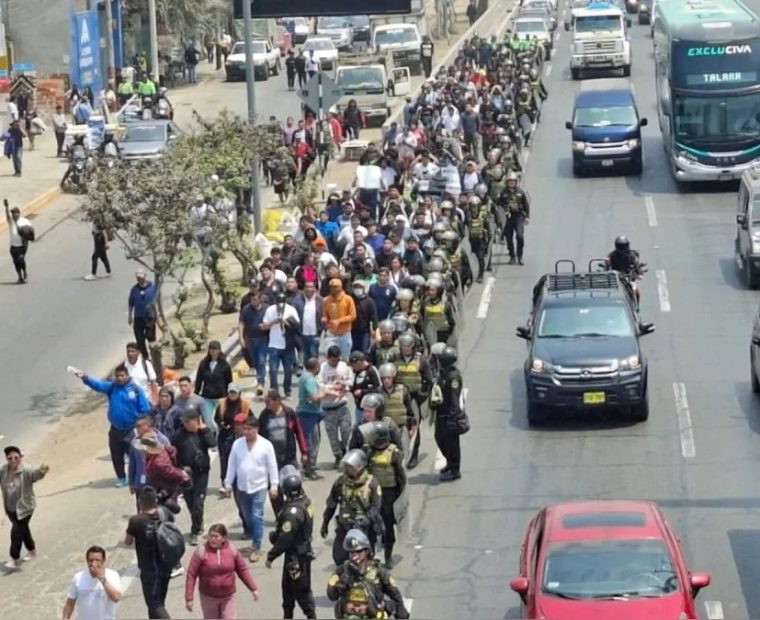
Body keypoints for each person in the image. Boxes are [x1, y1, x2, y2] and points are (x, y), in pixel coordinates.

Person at [76, 364, 151, 487]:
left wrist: (141, 423)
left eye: (122, 375)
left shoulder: (136, 390)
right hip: (115, 430)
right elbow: (98, 385)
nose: (120, 378)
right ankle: (121, 478)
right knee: (116, 456)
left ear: (127, 375)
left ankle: (140, 477)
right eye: (117, 376)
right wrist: (85, 378)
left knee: (135, 456)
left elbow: (145, 408)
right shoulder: (111, 388)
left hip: (131, 430)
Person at [222, 415, 280, 563]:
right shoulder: (237, 444)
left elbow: (272, 466)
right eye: (244, 429)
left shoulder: (266, 445)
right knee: (247, 517)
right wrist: (228, 484)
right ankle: (255, 536)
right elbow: (232, 465)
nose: (246, 432)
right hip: (242, 488)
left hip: (259, 487)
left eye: (249, 429)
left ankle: (256, 546)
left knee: (256, 516)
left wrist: (274, 486)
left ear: (256, 429)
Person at [265, 467, 317, 620]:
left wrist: (271, 556)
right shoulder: (306, 502)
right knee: (288, 590)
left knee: (301, 591)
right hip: (300, 552)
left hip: (296, 558)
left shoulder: (292, 513)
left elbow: (284, 539)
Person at [326, 529, 409, 619]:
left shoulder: (380, 572)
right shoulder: (342, 571)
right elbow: (332, 596)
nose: (355, 555)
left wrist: (399, 613)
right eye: (351, 552)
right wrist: (339, 585)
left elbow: (397, 598)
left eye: (359, 551)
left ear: (366, 551)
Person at [320, 449, 383, 566]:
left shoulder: (372, 484)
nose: (348, 469)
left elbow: (375, 507)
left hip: (364, 530)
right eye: (347, 467)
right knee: (339, 558)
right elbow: (331, 503)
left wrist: (364, 521)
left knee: (364, 561)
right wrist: (325, 522)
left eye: (351, 467)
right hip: (344, 528)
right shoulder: (340, 482)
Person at [185, 523, 260, 619]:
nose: (212, 539)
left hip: (229, 596)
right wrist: (189, 598)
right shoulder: (201, 551)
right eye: (210, 536)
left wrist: (253, 589)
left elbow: (243, 570)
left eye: (216, 536)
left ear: (223, 538)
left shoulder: (232, 550)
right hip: (208, 597)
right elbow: (191, 574)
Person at [124, 486, 176, 619]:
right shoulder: (164, 512)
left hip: (149, 570)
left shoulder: (136, 520)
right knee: (159, 602)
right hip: (166, 566)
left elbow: (128, 542)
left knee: (154, 604)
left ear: (140, 502)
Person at [258, 390, 309, 512]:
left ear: (277, 401)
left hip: (288, 457)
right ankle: (280, 514)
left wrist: (304, 451)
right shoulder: (264, 415)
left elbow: (299, 432)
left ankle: (300, 510)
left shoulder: (289, 413)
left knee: (294, 484)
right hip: (271, 459)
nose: (266, 404)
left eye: (268, 401)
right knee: (275, 489)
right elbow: (259, 435)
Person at [173, 404, 216, 546]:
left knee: (198, 502)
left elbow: (212, 443)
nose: (185, 424)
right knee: (191, 502)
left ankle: (195, 530)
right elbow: (173, 453)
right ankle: (198, 521)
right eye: (184, 421)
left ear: (196, 420)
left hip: (201, 473)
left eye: (188, 421)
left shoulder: (202, 432)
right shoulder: (178, 435)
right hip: (185, 475)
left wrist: (204, 430)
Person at [364, 422, 406, 568]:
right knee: (371, 524)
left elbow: (401, 475)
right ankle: (370, 556)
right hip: (374, 493)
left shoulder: (393, 452)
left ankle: (388, 556)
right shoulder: (370, 452)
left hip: (389, 493)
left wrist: (399, 495)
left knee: (388, 526)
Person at [0, 446, 48, 570]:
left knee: (16, 532)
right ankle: (32, 551)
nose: (13, 460)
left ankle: (14, 558)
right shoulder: (4, 470)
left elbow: (34, 475)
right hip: (10, 508)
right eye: (10, 458)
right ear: (7, 459)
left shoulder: (26, 470)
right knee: (23, 530)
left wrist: (41, 471)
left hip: (25, 508)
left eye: (16, 457)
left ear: (20, 457)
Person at [431, 346, 465, 481]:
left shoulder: (453, 377)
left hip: (450, 415)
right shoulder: (444, 373)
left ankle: (455, 470)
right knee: (439, 438)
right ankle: (450, 463)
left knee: (452, 444)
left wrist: (453, 417)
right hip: (441, 413)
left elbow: (454, 399)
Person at [62, 546, 123, 620]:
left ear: (103, 561)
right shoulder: (78, 577)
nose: (93, 563)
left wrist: (102, 578)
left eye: (97, 560)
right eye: (91, 560)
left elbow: (116, 598)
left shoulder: (112, 575)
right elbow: (70, 602)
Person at [319, 346, 354, 469]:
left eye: (337, 360)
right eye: (332, 360)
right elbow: (319, 385)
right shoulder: (322, 368)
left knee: (346, 431)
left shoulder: (344, 366)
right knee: (332, 436)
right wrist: (333, 388)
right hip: (328, 408)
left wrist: (345, 386)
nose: (335, 363)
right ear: (327, 358)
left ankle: (345, 450)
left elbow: (351, 381)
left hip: (342, 406)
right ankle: (338, 456)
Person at [262, 291, 300, 399]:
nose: (280, 305)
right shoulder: (270, 310)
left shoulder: (291, 310)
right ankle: (275, 392)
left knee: (288, 370)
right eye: (278, 303)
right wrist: (275, 322)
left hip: (288, 345)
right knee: (273, 370)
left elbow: (297, 325)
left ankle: (287, 390)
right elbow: (264, 326)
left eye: (282, 303)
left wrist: (285, 322)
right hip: (274, 345)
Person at [214, 383, 252, 489]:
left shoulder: (244, 404)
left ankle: (241, 480)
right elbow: (216, 417)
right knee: (224, 458)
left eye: (234, 392)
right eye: (230, 392)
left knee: (241, 458)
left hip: (240, 435)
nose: (232, 395)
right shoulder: (222, 404)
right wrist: (221, 423)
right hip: (225, 434)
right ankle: (225, 481)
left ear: (239, 393)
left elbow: (251, 419)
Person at [194, 340, 233, 434]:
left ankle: (219, 439)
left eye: (215, 348)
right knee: (208, 420)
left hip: (221, 398)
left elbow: (229, 381)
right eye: (211, 348)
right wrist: (196, 393)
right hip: (207, 397)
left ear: (219, 350)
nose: (213, 351)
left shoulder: (225, 365)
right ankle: (212, 439)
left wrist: (230, 396)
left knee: (219, 420)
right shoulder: (203, 363)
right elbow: (199, 379)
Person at [296, 358, 326, 480]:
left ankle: (307, 466)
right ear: (317, 367)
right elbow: (314, 398)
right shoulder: (309, 379)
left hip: (307, 414)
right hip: (308, 415)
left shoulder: (304, 376)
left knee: (311, 441)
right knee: (312, 443)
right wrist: (323, 393)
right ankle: (309, 468)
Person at [498, 170, 530, 265]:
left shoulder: (521, 192)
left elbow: (526, 204)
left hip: (519, 217)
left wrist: (527, 216)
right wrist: (506, 207)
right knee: (508, 238)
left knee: (520, 236)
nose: (511, 183)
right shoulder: (503, 193)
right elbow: (499, 203)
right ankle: (512, 256)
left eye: (513, 181)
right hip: (508, 218)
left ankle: (520, 256)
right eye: (510, 181)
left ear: (516, 182)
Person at [128, 270, 158, 359]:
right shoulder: (134, 289)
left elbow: (157, 302)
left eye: (141, 277)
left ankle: (155, 356)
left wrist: (157, 316)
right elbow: (131, 303)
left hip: (150, 317)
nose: (140, 279)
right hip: (138, 317)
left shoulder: (152, 287)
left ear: (145, 276)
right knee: (139, 339)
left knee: (151, 338)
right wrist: (130, 316)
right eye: (138, 278)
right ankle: (145, 357)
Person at [4, 199, 33, 283]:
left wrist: (28, 239)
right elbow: (7, 215)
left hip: (22, 246)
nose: (14, 214)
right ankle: (20, 277)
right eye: (12, 213)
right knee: (15, 262)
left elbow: (30, 231)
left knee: (20, 259)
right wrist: (6, 207)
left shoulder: (25, 221)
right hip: (13, 247)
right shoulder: (11, 221)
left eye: (15, 213)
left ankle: (24, 271)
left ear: (19, 213)